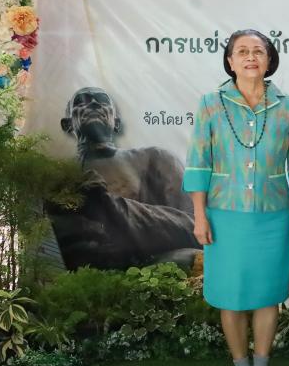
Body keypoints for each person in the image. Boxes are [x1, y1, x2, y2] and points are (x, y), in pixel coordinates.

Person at [183, 30, 289, 366]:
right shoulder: (211, 104)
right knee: (231, 295)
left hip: (272, 216)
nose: (251, 57)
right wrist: (199, 216)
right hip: (224, 216)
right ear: (230, 61)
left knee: (268, 294)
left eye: (258, 51)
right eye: (242, 51)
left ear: (269, 60)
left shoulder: (288, 107)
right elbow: (198, 164)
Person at [48, 87, 200, 270]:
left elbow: (194, 227)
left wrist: (111, 206)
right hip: (84, 275)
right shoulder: (54, 177)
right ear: (67, 124)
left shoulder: (155, 158)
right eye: (81, 102)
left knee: (188, 258)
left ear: (117, 123)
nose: (93, 104)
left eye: (102, 101)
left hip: (150, 265)